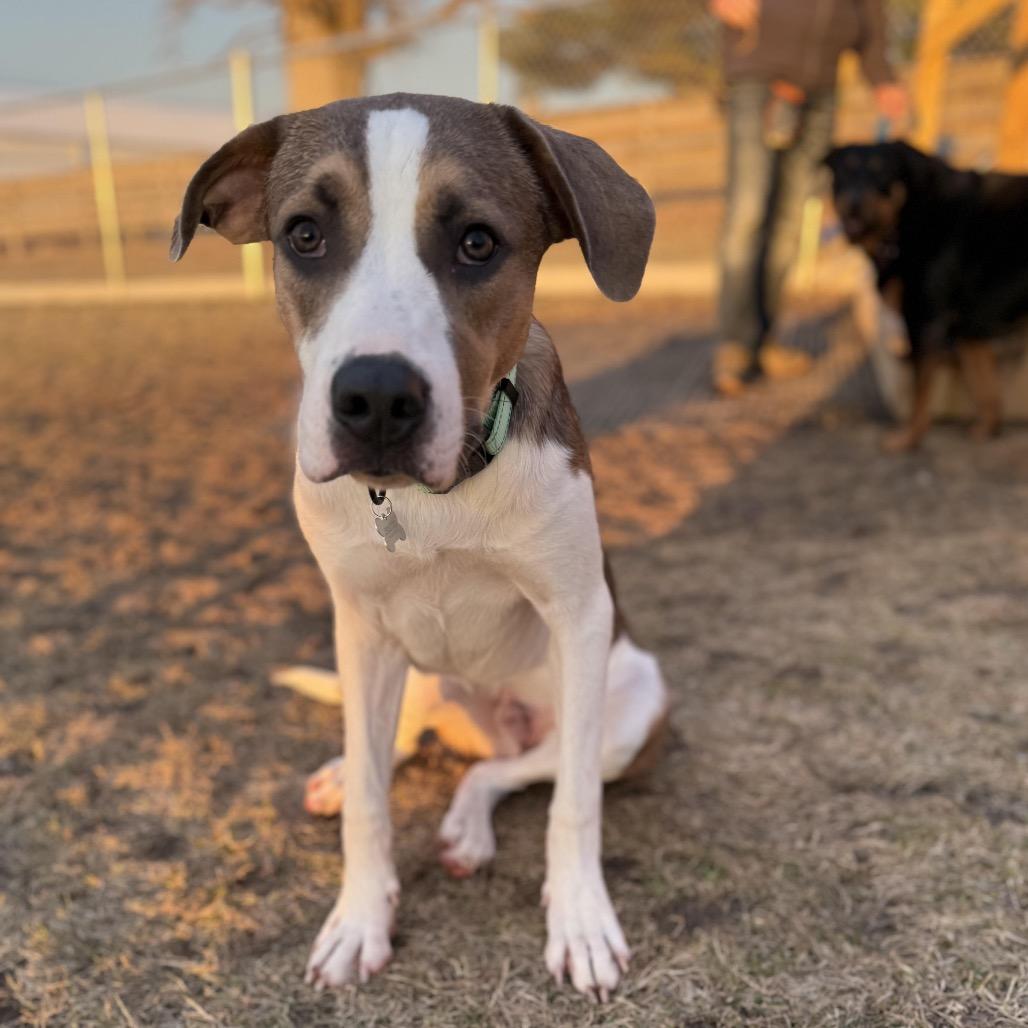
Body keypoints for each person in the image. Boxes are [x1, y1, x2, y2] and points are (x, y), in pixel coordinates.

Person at [710, 0, 908, 395]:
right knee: (748, 214)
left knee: (790, 221)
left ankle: (764, 341)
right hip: (759, 78)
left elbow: (870, 15)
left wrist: (882, 76)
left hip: (821, 88)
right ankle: (734, 346)